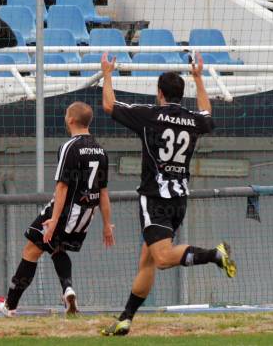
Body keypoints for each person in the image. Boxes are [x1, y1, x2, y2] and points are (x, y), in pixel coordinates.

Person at [99, 52, 237, 336]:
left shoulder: (149, 116)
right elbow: (207, 114)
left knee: (161, 259)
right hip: (179, 199)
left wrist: (107, 73)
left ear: (159, 93)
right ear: (181, 94)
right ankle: (126, 318)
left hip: (155, 198)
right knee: (147, 261)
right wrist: (199, 78)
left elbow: (109, 105)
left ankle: (214, 254)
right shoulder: (193, 120)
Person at [0, 102, 115, 316]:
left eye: (66, 114)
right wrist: (107, 224)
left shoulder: (69, 147)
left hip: (64, 212)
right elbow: (103, 191)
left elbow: (62, 186)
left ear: (71, 120)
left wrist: (54, 220)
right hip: (85, 215)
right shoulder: (101, 151)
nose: (65, 117)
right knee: (56, 249)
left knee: (30, 251)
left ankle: (9, 305)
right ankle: (68, 290)